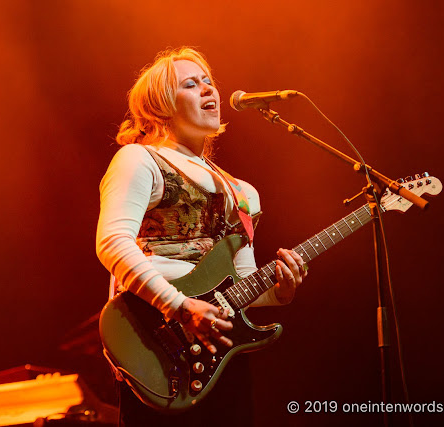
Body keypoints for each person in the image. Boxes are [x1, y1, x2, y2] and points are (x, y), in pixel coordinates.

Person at [96, 47, 308, 426]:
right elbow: (112, 242)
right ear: (160, 106)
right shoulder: (139, 159)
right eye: (191, 84)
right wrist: (179, 305)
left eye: (209, 81)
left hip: (220, 353)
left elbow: (242, 281)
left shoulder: (242, 191)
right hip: (157, 341)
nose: (208, 90)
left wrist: (279, 291)